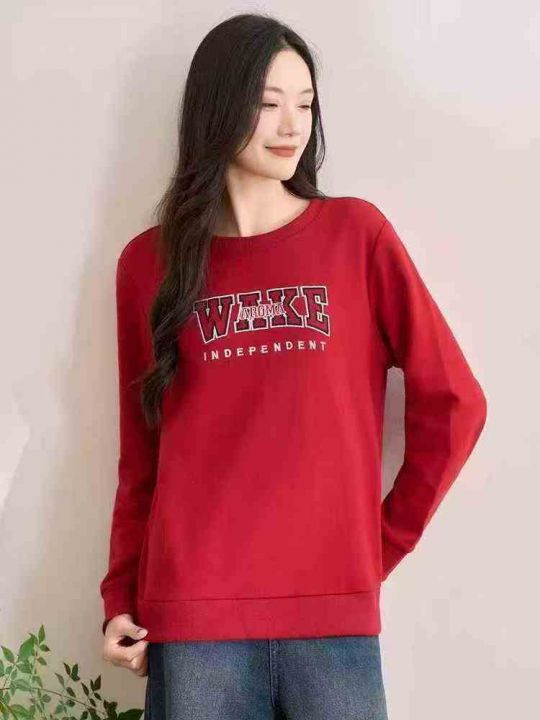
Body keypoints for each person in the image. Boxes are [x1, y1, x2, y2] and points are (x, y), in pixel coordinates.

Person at [99, 12, 487, 720]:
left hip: (333, 623)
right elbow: (142, 451)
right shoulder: (148, 265)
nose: (291, 125)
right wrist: (120, 593)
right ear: (220, 106)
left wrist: (378, 545)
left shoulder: (356, 237)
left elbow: (456, 403)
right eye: (268, 102)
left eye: (305, 104)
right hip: (194, 621)